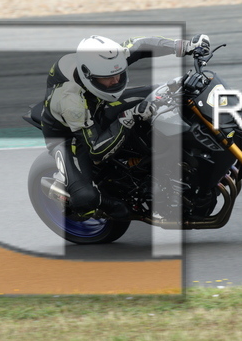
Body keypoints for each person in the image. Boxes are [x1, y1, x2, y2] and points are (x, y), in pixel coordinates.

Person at [40, 34, 210, 219]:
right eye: (108, 78)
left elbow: (142, 44)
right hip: (70, 136)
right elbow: (96, 152)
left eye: (119, 74)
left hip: (96, 106)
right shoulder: (71, 102)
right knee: (86, 200)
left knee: (170, 92)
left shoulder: (103, 61)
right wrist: (129, 116)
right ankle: (95, 199)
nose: (116, 80)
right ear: (88, 75)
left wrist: (184, 46)